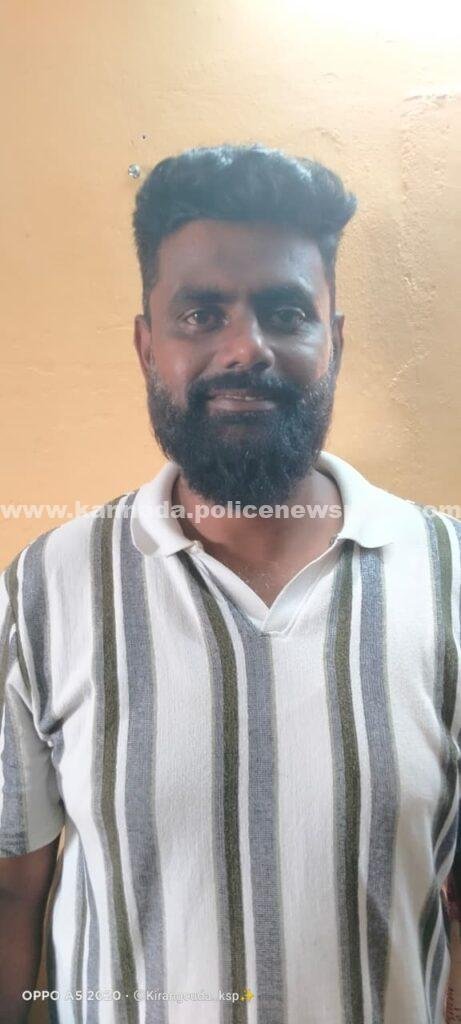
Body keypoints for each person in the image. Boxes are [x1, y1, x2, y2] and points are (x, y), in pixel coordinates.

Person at [0, 142, 460, 1024]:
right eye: (200, 314)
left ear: (334, 340)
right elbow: (13, 892)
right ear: (146, 345)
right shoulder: (44, 592)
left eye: (286, 312)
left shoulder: (448, 580)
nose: (245, 349)